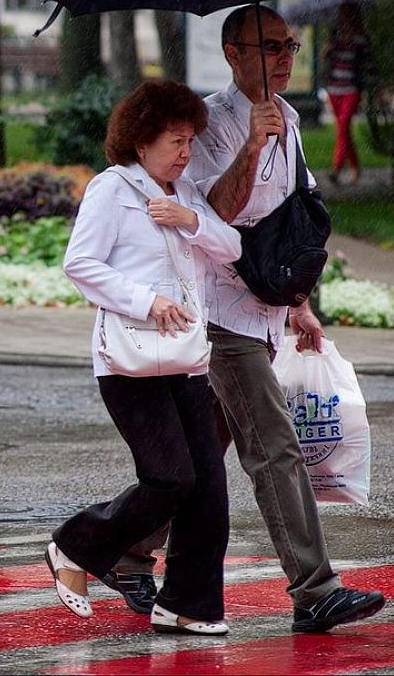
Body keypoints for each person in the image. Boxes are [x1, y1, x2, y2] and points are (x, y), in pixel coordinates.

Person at [105, 6, 387, 634]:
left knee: (198, 457)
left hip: (261, 307)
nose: (285, 57)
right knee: (275, 448)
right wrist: (251, 144)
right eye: (269, 47)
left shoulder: (288, 118)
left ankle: (123, 549)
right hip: (216, 311)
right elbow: (211, 218)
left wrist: (299, 305)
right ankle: (315, 590)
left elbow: (293, 220)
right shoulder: (206, 125)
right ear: (233, 52)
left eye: (289, 45)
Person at [46, 80, 242, 635]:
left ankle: (189, 604)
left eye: (189, 141)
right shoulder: (113, 190)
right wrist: (146, 300)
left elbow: (232, 248)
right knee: (169, 479)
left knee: (208, 492)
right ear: (140, 142)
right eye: (176, 141)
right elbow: (81, 264)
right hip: (131, 366)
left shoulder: (184, 195)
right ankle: (74, 545)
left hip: (185, 360)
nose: (186, 152)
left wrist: (192, 223)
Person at [321, 2, 374, 185]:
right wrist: (328, 48)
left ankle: (336, 169)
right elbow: (325, 58)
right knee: (344, 131)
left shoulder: (361, 39)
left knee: (343, 127)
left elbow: (369, 64)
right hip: (334, 88)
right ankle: (355, 168)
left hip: (351, 89)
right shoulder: (334, 36)